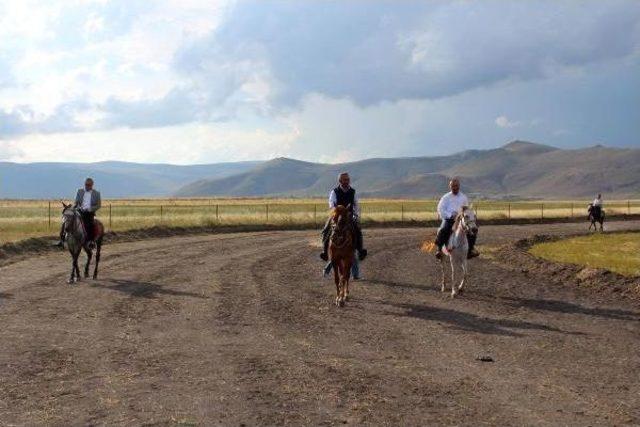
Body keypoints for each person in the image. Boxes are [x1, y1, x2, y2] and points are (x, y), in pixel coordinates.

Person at [320, 172, 367, 262]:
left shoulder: (353, 191)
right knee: (326, 230)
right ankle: (325, 252)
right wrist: (336, 212)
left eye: (348, 179)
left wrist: (356, 215)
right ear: (340, 181)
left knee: (358, 230)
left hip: (349, 216)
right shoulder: (334, 192)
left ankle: (360, 251)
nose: (347, 181)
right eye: (345, 180)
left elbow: (356, 205)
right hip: (336, 215)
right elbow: (331, 204)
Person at [434, 178, 479, 260]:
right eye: (453, 186)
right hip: (449, 219)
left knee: (473, 229)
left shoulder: (463, 197)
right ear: (450, 187)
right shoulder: (445, 197)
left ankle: (470, 250)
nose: (455, 188)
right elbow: (440, 209)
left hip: (461, 219)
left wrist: (466, 215)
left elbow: (466, 209)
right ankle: (439, 250)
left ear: (459, 186)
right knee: (443, 230)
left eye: (456, 186)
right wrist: (450, 215)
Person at [56, 178, 102, 249]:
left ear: (92, 185)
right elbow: (76, 202)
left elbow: (98, 205)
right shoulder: (79, 191)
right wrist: (74, 206)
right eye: (86, 184)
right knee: (67, 219)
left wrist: (90, 209)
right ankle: (62, 240)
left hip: (89, 213)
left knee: (90, 224)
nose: (87, 186)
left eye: (89, 185)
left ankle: (91, 242)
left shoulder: (97, 193)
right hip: (79, 210)